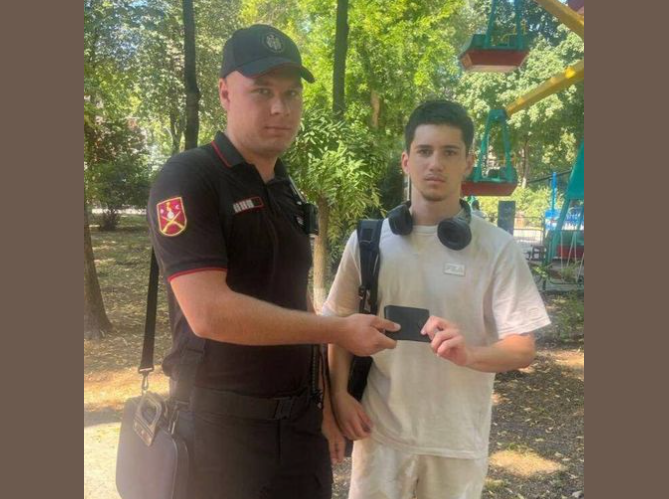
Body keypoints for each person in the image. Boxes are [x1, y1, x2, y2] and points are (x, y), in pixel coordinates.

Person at [147, 24, 399, 499]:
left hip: (300, 427)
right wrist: (338, 330)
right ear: (225, 93)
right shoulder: (191, 177)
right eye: (262, 91)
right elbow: (208, 313)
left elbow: (297, 298)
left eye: (291, 93)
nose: (280, 108)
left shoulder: (286, 189)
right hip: (219, 432)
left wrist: (326, 406)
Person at [324, 100, 551, 499]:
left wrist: (470, 354)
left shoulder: (497, 248)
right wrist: (339, 396)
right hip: (381, 437)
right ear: (406, 161)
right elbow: (337, 327)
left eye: (449, 152)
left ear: (468, 163)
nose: (435, 164)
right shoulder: (369, 241)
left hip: (457, 444)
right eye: (424, 151)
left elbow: (522, 348)